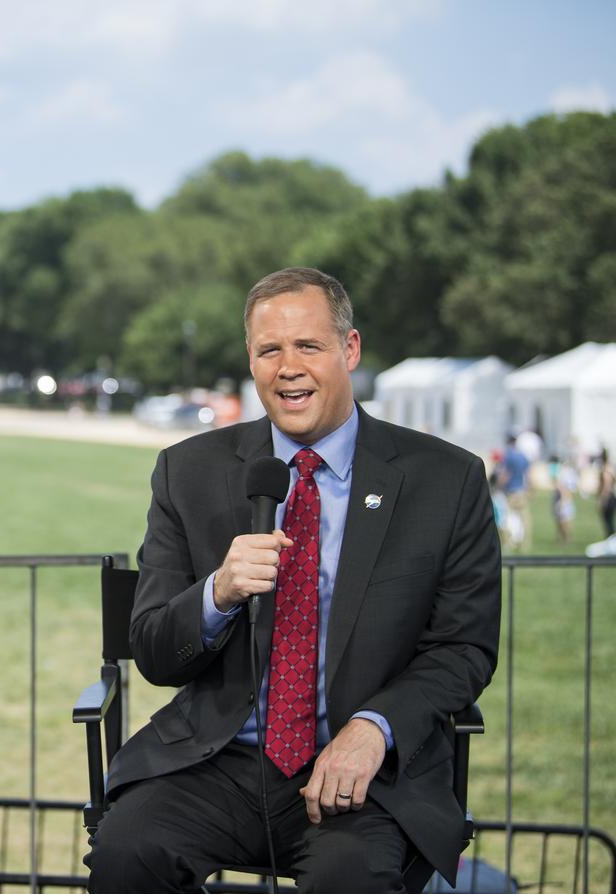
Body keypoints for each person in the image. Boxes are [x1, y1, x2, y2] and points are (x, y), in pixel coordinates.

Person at [86, 267, 501, 893]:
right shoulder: (187, 471)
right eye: (268, 350)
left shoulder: (446, 480)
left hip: (363, 771)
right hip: (218, 758)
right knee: (126, 855)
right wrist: (218, 593)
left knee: (350, 878)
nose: (288, 367)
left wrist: (374, 730)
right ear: (250, 361)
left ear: (350, 349)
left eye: (308, 345)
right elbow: (151, 649)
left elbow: (464, 646)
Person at [497, 434, 531, 551]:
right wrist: (530, 489)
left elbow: (506, 474)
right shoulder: (522, 456)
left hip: (510, 492)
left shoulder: (508, 456)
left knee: (506, 518)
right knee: (524, 519)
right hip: (521, 491)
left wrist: (498, 487)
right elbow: (528, 474)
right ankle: (525, 545)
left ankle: (508, 543)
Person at [549, 454, 579, 544]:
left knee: (563, 520)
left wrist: (563, 500)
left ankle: (565, 540)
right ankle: (563, 539)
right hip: (564, 497)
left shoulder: (564, 472)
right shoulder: (569, 472)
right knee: (562, 520)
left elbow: (563, 487)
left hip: (563, 498)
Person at [599, 448, 615, 539]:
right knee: (609, 521)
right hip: (612, 496)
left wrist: (602, 500)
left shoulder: (606, 468)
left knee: (608, 521)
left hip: (608, 497)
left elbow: (606, 485)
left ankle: (611, 541)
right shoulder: (610, 467)